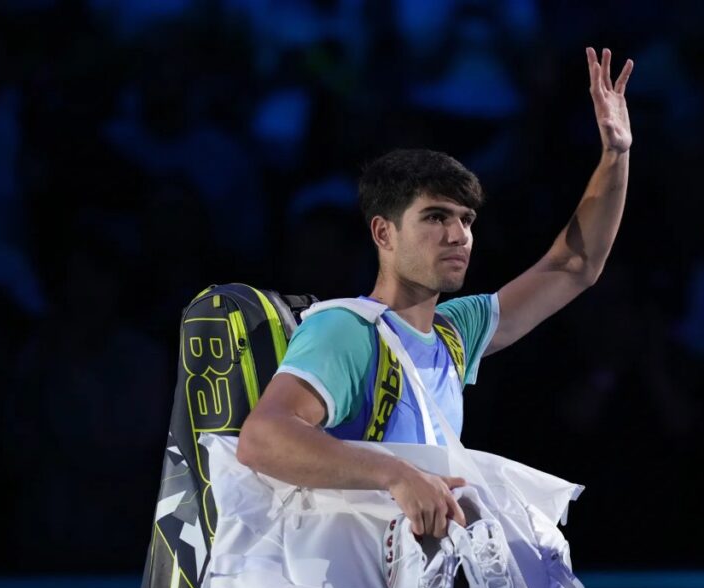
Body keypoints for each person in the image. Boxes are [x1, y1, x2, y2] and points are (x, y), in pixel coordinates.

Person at [236, 46, 633, 540]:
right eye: (436, 217)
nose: (458, 235)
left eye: (466, 219)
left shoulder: (454, 330)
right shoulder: (348, 328)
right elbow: (262, 439)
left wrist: (615, 155)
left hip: (414, 587)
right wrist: (396, 474)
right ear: (384, 233)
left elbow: (574, 265)